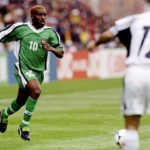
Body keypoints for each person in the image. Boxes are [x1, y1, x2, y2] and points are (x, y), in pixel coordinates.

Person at [87, 1, 150, 149]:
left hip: (136, 72)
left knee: (132, 123)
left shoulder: (135, 19)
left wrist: (95, 44)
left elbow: (109, 34)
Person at [0, 5, 64, 141]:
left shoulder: (51, 33)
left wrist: (51, 48)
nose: (43, 18)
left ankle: (4, 114)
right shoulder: (20, 29)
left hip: (38, 72)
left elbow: (61, 53)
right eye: (39, 15)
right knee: (36, 91)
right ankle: (24, 126)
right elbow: (2, 35)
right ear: (32, 16)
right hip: (23, 67)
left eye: (45, 15)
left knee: (20, 101)